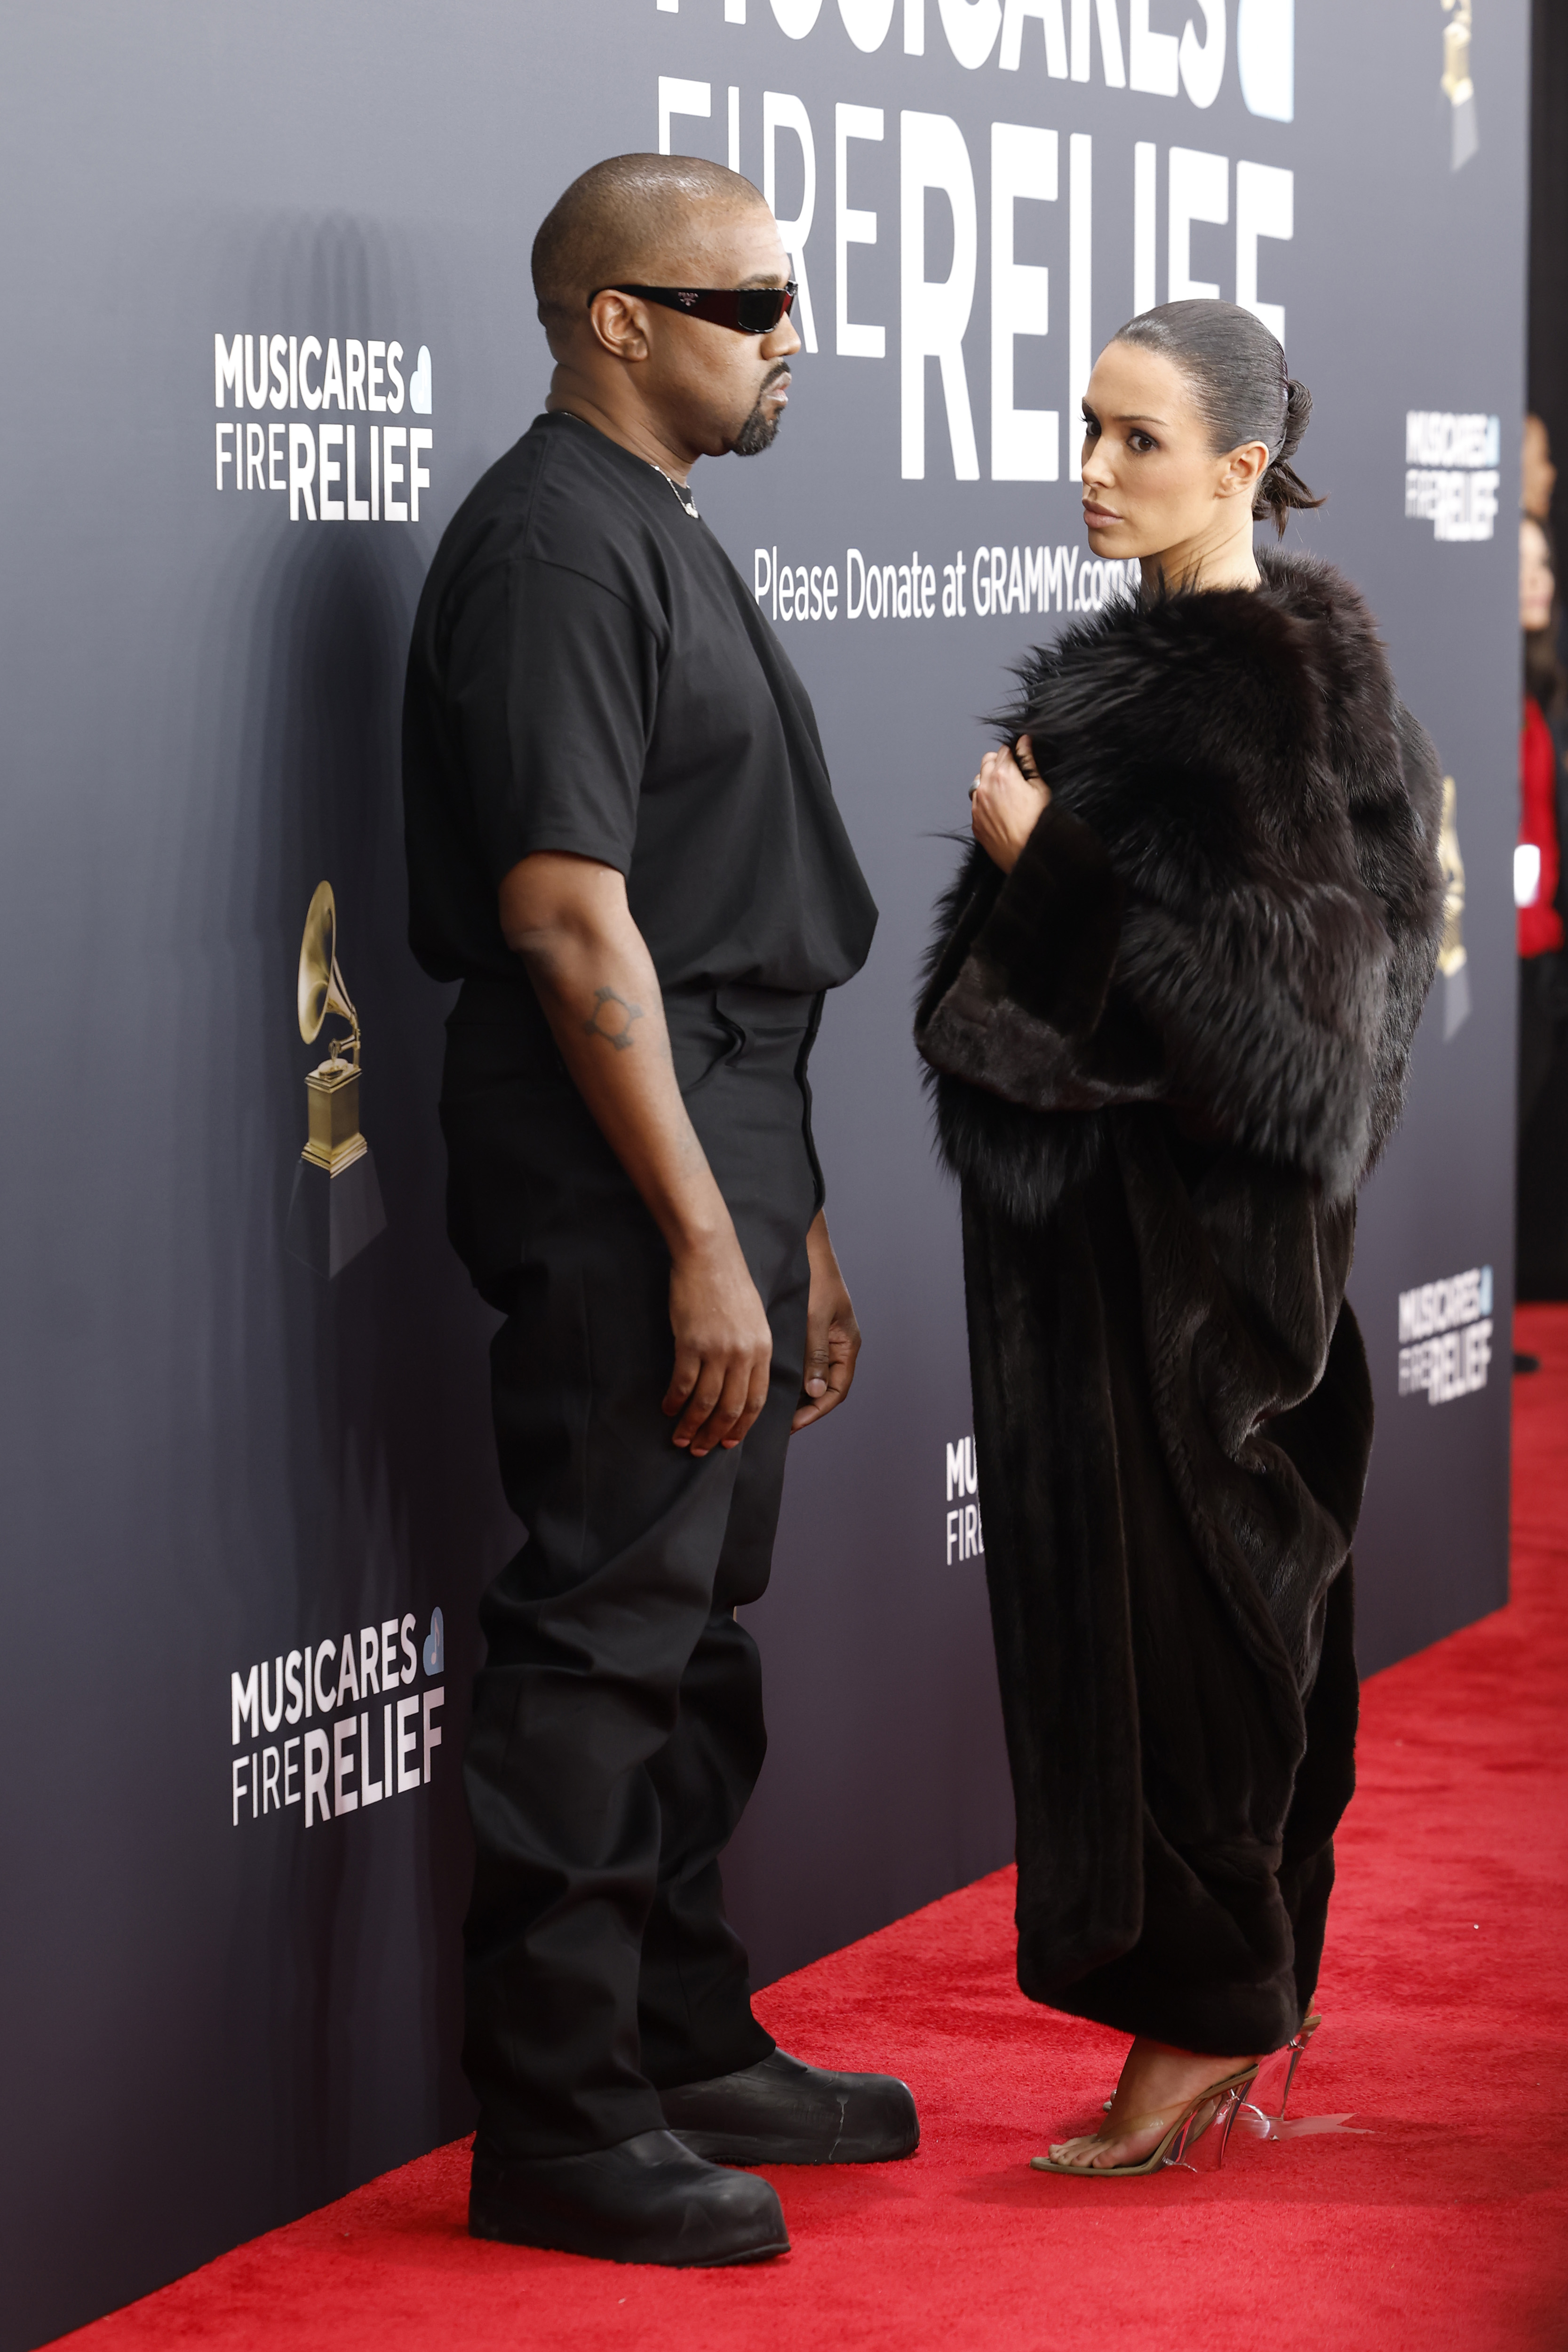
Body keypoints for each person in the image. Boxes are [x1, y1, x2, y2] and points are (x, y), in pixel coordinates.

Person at [402, 153, 913, 2269]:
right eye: (747, 299)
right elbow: (563, 909)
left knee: (693, 1626)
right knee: (606, 1630)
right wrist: (700, 1229)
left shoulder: (656, 529)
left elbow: (712, 919)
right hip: (621, 1148)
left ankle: (681, 2035)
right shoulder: (547, 545)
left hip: (716, 1122)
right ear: (617, 318)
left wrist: (777, 1218)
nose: (789, 332)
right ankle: (553, 2117)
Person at [915, 301, 1444, 2176]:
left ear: (1237, 465)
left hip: (1170, 1277)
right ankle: (1230, 1998)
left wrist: (1039, 881)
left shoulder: (1213, 687)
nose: (1088, 469)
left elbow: (1281, 1033)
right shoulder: (1280, 660)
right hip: (1209, 1253)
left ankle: (1201, 2013)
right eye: (1081, 428)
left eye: (1135, 440)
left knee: (1181, 1638)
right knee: (1222, 1630)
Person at [1516, 510, 1568, 1302]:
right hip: (1497, 952)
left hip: (1539, 946)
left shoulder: (1536, 687)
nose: (1541, 580)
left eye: (1545, 565)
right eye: (1523, 564)